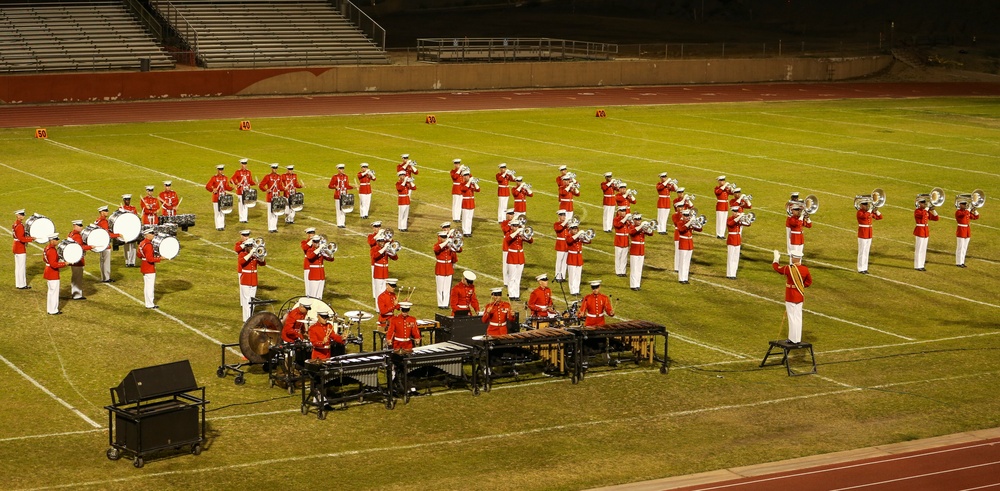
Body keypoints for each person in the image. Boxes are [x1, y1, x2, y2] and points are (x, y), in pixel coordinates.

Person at [772, 250, 812, 344]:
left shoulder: (789, 268)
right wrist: (801, 286)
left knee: (792, 317)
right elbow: (809, 282)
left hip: (790, 296)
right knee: (798, 317)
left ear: (794, 258)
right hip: (800, 295)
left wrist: (776, 259)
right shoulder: (805, 269)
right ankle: (797, 338)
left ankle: (793, 339)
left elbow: (777, 268)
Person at [505, 216, 533, 301]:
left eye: (517, 226)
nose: (516, 227)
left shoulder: (520, 234)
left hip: (520, 257)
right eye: (514, 226)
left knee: (518, 277)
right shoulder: (509, 233)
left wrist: (525, 235)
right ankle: (511, 294)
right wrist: (517, 231)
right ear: (511, 226)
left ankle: (516, 295)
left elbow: (531, 241)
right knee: (512, 277)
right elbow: (508, 239)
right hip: (512, 257)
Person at [237, 238, 265, 321]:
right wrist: (250, 254)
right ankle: (246, 319)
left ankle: (250, 316)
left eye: (252, 246)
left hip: (253, 281)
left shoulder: (254, 255)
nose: (251, 248)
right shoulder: (242, 254)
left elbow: (263, 263)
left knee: (252, 300)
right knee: (246, 300)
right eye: (249, 246)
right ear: (246, 247)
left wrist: (260, 256)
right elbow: (241, 262)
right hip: (245, 281)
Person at [434, 230, 461, 309]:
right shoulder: (437, 245)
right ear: (439, 238)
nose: (444, 238)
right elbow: (436, 249)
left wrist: (453, 244)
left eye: (445, 237)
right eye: (443, 237)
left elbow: (460, 250)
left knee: (447, 287)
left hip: (448, 267)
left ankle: (445, 304)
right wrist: (446, 242)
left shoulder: (449, 245)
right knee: (440, 288)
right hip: (440, 267)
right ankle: (440, 303)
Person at [67, 220, 93, 300]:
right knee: (77, 277)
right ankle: (77, 295)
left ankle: (74, 293)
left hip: (73, 257)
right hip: (78, 259)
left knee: (75, 277)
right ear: (74, 226)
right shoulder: (77, 236)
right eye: (79, 226)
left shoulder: (71, 233)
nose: (81, 227)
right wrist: (90, 247)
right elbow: (79, 247)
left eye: (81, 225)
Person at [94, 205, 120, 283]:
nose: (107, 212)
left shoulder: (98, 220)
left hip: (100, 243)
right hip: (105, 243)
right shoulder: (103, 221)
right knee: (106, 261)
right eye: (105, 211)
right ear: (101, 212)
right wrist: (118, 235)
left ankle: (103, 277)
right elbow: (107, 234)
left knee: (102, 260)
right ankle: (106, 278)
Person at [627, 214, 653, 291]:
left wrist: (648, 228)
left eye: (639, 219)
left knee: (639, 268)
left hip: (641, 251)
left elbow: (651, 233)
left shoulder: (641, 228)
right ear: (634, 220)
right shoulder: (632, 226)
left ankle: (637, 284)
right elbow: (632, 232)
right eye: (637, 219)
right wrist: (641, 226)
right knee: (634, 268)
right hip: (635, 250)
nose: (638, 221)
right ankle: (633, 285)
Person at [856, 199, 882, 274]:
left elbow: (880, 217)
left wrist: (876, 211)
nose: (866, 206)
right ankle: (860, 268)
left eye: (866, 204)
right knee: (862, 251)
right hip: (863, 234)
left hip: (869, 234)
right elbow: (864, 216)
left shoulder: (868, 212)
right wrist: (870, 210)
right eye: (864, 205)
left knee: (866, 251)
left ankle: (865, 268)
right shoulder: (859, 212)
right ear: (861, 205)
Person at [137, 226, 160, 309]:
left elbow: (138, 254)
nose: (153, 235)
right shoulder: (149, 245)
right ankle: (150, 304)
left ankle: (148, 302)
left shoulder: (142, 243)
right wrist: (160, 258)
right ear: (147, 235)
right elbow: (150, 259)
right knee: (150, 286)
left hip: (143, 265)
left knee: (147, 286)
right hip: (149, 267)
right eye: (151, 233)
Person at [42, 233, 66, 315]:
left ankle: (50, 309)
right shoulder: (52, 250)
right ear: (51, 240)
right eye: (56, 240)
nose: (57, 241)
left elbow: (44, 259)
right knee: (54, 292)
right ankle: (53, 310)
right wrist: (64, 264)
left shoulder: (47, 248)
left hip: (48, 271)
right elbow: (54, 264)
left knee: (51, 291)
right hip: (52, 273)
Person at [913, 197, 939, 271]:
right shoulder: (917, 211)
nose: (924, 204)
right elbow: (922, 214)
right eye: (923, 203)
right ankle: (917, 266)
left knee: (924, 249)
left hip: (925, 231)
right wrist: (927, 209)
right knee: (919, 249)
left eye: (925, 203)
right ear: (920, 204)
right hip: (920, 231)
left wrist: (933, 210)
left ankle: (921, 265)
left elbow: (936, 218)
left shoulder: (925, 211)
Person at [677, 209, 702, 284]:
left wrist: (697, 222)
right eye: (686, 216)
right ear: (683, 215)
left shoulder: (690, 222)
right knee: (682, 262)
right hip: (683, 244)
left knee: (687, 262)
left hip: (689, 244)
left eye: (688, 216)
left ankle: (685, 278)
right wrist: (690, 222)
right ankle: (681, 278)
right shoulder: (680, 222)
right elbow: (682, 229)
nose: (687, 217)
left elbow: (700, 229)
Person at [371, 231, 398, 300]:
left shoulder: (386, 249)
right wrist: (384, 249)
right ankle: (378, 308)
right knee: (378, 292)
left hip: (385, 273)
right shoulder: (374, 249)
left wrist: (392, 251)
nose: (382, 243)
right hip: (378, 273)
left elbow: (395, 258)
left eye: (383, 241)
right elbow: (375, 256)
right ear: (377, 242)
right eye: (380, 241)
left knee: (384, 291)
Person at [205, 165, 233, 231]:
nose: (221, 171)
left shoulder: (225, 178)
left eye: (222, 170)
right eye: (220, 170)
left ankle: (222, 225)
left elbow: (226, 187)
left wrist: (232, 188)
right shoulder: (214, 178)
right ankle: (218, 226)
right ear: (217, 170)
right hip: (216, 197)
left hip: (223, 197)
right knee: (217, 212)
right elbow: (207, 186)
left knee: (223, 211)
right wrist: (213, 189)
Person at [725, 206, 750, 279]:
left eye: (737, 212)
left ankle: (734, 273)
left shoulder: (739, 220)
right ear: (732, 212)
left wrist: (747, 219)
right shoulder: (729, 219)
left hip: (738, 240)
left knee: (736, 257)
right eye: (735, 212)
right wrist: (739, 217)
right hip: (731, 239)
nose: (736, 213)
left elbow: (748, 224)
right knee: (731, 257)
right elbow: (731, 224)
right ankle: (729, 274)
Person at [12, 209, 34, 289]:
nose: (23, 216)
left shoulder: (15, 224)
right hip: (20, 248)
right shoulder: (20, 225)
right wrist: (31, 239)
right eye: (21, 215)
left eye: (23, 215)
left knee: (18, 267)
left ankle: (18, 283)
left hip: (15, 247)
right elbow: (21, 238)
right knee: (21, 267)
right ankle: (22, 285)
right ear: (18, 216)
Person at [328, 163, 354, 228]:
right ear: (338, 169)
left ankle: (343, 223)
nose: (342, 170)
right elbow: (330, 186)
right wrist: (335, 187)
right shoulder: (335, 177)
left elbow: (347, 186)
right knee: (338, 209)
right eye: (340, 169)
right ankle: (339, 223)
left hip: (344, 195)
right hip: (338, 195)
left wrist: (353, 187)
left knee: (344, 209)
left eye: (342, 168)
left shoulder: (346, 176)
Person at [955, 200, 979, 268]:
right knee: (960, 247)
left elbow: (976, 217)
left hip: (967, 231)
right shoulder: (958, 212)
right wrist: (968, 209)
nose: (965, 205)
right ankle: (958, 262)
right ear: (960, 205)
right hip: (961, 230)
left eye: (965, 204)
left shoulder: (967, 212)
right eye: (963, 204)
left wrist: (975, 210)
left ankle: (962, 262)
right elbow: (963, 215)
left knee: (965, 247)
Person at [259, 163, 282, 233]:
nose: (275, 169)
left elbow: (280, 187)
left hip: (277, 196)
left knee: (276, 212)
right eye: (273, 168)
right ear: (271, 168)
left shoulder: (279, 177)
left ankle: (274, 227)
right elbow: (261, 185)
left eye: (276, 168)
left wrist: (285, 188)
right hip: (270, 197)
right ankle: (270, 228)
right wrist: (266, 189)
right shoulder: (267, 177)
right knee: (271, 213)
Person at [566, 222, 588, 296]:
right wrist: (578, 234)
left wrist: (585, 236)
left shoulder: (579, 237)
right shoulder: (568, 236)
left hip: (579, 257)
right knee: (572, 275)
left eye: (576, 229)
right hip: (572, 257)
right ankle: (572, 290)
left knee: (578, 275)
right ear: (571, 230)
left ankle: (577, 289)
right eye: (574, 229)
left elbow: (589, 241)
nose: (575, 230)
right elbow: (569, 241)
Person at [232, 158, 256, 223]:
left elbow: (250, 181)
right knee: (241, 205)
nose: (244, 165)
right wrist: (237, 183)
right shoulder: (238, 172)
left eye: (245, 164)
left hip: (247, 191)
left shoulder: (248, 172)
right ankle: (241, 218)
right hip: (241, 190)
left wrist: (255, 183)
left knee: (246, 204)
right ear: (241, 164)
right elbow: (232, 180)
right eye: (243, 164)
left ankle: (245, 218)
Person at [120, 194, 138, 267]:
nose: (128, 201)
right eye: (126, 200)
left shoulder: (133, 208)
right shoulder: (121, 208)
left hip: (133, 228)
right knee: (126, 245)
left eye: (129, 200)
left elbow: (136, 217)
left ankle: (132, 262)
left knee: (133, 245)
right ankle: (127, 261)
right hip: (125, 228)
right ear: (124, 200)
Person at [460, 170, 480, 236]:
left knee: (469, 217)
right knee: (465, 217)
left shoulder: (471, 184)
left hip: (471, 203)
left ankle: (469, 231)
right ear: (463, 177)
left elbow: (478, 190)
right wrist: (469, 182)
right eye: (465, 176)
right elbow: (464, 189)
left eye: (467, 176)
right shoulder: (462, 184)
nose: (466, 177)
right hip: (465, 202)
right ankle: (465, 231)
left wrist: (474, 183)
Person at [612, 206, 630, 277]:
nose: (623, 213)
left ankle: (623, 271)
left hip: (625, 241)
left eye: (624, 211)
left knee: (624, 257)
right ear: (618, 212)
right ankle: (618, 271)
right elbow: (618, 225)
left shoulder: (627, 220)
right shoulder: (616, 219)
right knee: (618, 256)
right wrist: (626, 218)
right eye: (622, 211)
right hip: (619, 241)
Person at [553, 210, 569, 283]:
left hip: (567, 244)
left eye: (564, 215)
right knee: (559, 260)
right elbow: (558, 229)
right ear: (559, 216)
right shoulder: (557, 224)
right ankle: (557, 275)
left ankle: (563, 275)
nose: (564, 217)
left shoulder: (568, 224)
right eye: (562, 215)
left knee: (565, 261)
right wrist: (566, 222)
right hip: (560, 244)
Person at [499, 211, 514, 284]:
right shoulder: (504, 222)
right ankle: (506, 281)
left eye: (512, 214)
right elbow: (505, 230)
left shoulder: (516, 223)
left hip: (513, 245)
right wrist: (510, 224)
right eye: (510, 214)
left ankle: (512, 280)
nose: (511, 216)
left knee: (513, 265)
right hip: (506, 245)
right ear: (507, 215)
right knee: (506, 265)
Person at [671, 201, 684, 273]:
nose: (681, 208)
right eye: (680, 207)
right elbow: (677, 223)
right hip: (677, 234)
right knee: (677, 251)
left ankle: (681, 266)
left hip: (684, 235)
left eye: (682, 207)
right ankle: (676, 267)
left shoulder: (685, 215)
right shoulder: (675, 215)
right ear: (677, 208)